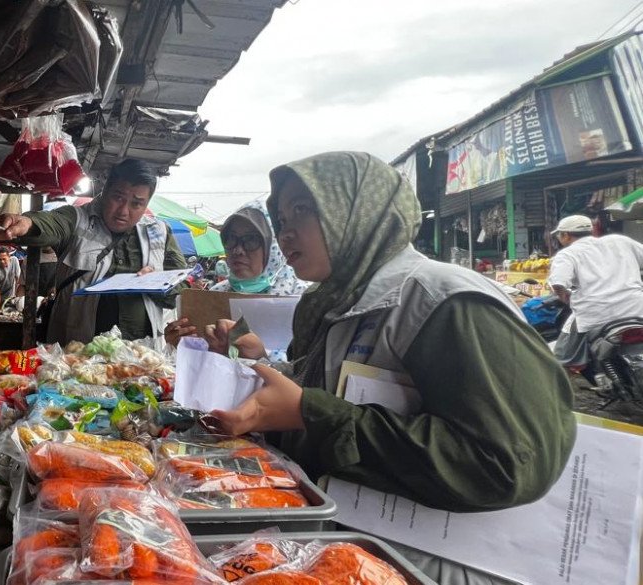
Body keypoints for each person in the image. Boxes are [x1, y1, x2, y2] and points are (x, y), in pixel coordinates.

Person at [202, 152, 574, 582]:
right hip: (353, 547)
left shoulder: (442, 301)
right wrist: (262, 367)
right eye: (281, 219)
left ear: (358, 209)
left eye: (302, 210)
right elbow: (330, 387)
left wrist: (310, 411)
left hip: (429, 560)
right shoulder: (341, 300)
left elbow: (507, 464)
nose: (286, 233)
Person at [0, 159, 187, 343]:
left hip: (142, 356)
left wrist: (159, 283)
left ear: (147, 203)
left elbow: (182, 291)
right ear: (105, 191)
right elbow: (53, 222)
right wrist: (27, 223)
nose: (124, 211)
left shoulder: (159, 231)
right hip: (78, 354)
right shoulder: (78, 218)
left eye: (136, 203)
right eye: (118, 198)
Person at [164, 201, 308, 350]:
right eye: (231, 239)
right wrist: (179, 344)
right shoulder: (214, 296)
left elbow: (311, 367)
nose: (237, 250)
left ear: (273, 245)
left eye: (251, 239)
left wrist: (261, 359)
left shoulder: (301, 298)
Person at [548, 214, 643, 368]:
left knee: (561, 357)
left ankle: (565, 383)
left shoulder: (567, 254)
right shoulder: (620, 241)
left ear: (565, 235)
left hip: (595, 315)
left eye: (559, 235)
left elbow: (558, 283)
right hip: (636, 310)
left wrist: (566, 298)